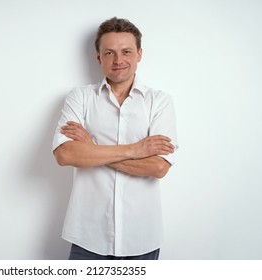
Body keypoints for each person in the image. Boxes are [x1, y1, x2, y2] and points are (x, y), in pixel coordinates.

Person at [52, 17, 178, 260]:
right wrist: (137, 149)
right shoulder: (80, 98)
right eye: (109, 52)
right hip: (87, 237)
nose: (118, 60)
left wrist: (92, 148)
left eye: (126, 51)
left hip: (142, 237)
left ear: (139, 54)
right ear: (98, 57)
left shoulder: (160, 102)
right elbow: (65, 154)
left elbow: (158, 167)